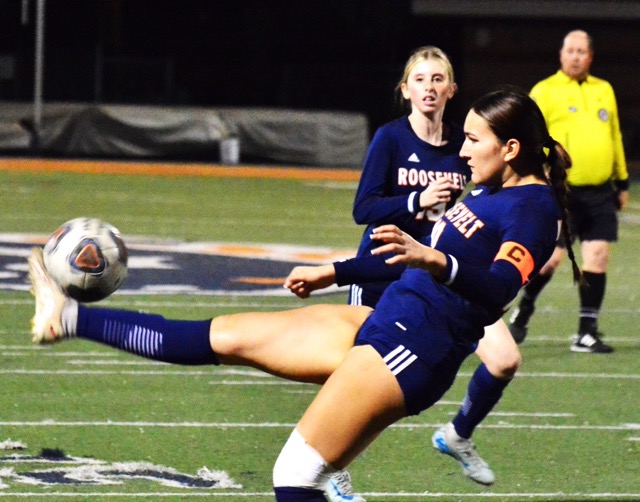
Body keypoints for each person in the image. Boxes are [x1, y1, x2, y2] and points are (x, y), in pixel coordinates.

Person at [27, 88, 578, 501]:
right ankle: (68, 315)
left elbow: (500, 286)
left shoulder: (533, 210)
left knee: (295, 475)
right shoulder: (488, 190)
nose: (461, 149)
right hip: (383, 323)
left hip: (415, 353)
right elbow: (417, 258)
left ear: (509, 148)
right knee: (221, 337)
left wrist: (437, 258)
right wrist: (333, 272)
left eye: (474, 139)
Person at [338, 45, 513, 491]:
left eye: (438, 79)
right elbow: (364, 208)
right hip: (385, 268)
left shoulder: (465, 145)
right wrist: (417, 200)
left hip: (440, 273)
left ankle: (458, 434)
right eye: (420, 79)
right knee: (364, 385)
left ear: (451, 89)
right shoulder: (391, 138)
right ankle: (334, 470)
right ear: (405, 89)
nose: (429, 87)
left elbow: (492, 194)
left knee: (504, 359)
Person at [509, 30, 630, 353]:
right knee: (549, 261)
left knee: (598, 257)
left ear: (590, 56)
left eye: (581, 51)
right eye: (570, 50)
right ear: (561, 55)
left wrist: (621, 180)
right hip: (562, 191)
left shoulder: (604, 89)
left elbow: (614, 134)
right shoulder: (545, 91)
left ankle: (586, 332)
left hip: (601, 191)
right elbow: (529, 135)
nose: (575, 56)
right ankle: (525, 309)